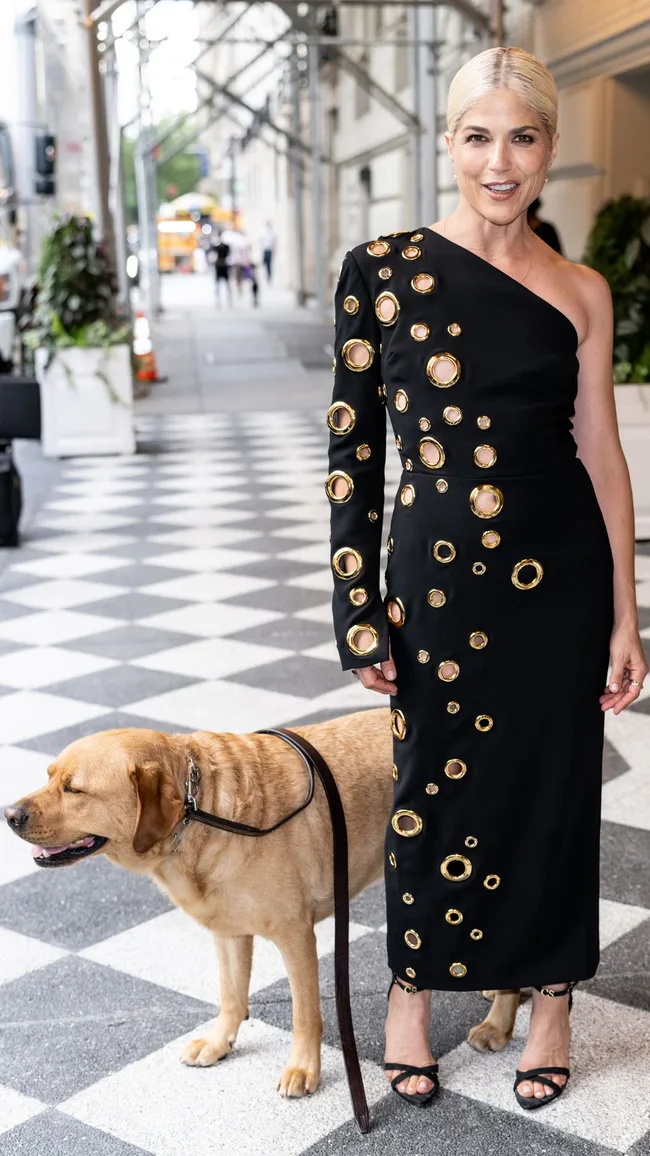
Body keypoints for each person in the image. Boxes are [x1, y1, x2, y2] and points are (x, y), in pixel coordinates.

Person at [327, 45, 646, 1113]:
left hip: (557, 581)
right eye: (475, 137)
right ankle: (411, 995)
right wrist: (356, 608)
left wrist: (621, 612)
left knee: (554, 789)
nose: (497, 161)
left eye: (520, 137)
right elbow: (353, 453)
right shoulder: (382, 271)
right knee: (430, 785)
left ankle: (549, 1000)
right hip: (433, 590)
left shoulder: (580, 289)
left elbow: (598, 450)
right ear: (447, 144)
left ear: (548, 148)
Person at [211, 232, 231, 306]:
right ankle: (218, 299)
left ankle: (228, 298)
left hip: (223, 265)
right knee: (218, 284)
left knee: (226, 283)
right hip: (219, 265)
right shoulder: (217, 246)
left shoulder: (226, 246)